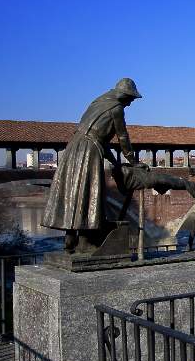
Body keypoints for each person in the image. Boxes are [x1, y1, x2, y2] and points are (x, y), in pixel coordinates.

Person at [42, 78, 146, 251]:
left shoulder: (98, 102)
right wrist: (133, 161)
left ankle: (70, 237)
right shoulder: (117, 108)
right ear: (125, 95)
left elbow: (99, 138)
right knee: (89, 192)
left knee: (73, 190)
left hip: (74, 146)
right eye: (131, 100)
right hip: (90, 150)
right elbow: (122, 137)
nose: (129, 104)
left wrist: (115, 161)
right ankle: (86, 240)